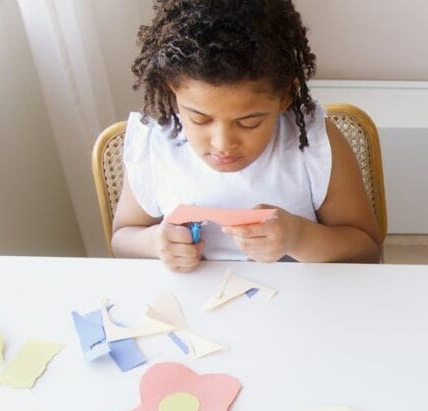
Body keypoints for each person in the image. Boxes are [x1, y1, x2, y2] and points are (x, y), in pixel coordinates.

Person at [112, 0, 382, 271]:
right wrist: (155, 243)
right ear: (172, 92)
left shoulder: (313, 143)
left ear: (285, 97)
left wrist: (298, 237)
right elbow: (121, 240)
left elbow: (367, 249)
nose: (222, 144)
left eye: (249, 123)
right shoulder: (155, 142)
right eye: (199, 119)